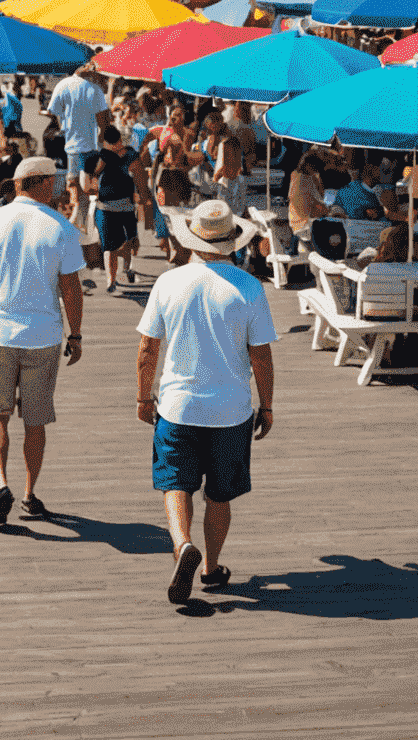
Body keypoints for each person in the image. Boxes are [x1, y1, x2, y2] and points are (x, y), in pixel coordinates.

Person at [135, 200, 276, 604]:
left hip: (177, 407)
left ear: (191, 239)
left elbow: (147, 349)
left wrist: (144, 397)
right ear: (232, 240)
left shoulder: (169, 282)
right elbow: (261, 355)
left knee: (175, 485)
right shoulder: (249, 287)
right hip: (231, 410)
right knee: (219, 495)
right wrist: (266, 406)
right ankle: (212, 568)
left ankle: (183, 546)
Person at [0, 155, 86, 525]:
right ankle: (30, 495)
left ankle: (0, 482)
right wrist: (76, 334)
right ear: (45, 184)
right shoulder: (60, 227)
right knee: (35, 422)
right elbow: (71, 288)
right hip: (43, 336)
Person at [81, 124, 150, 293]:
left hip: (126, 209)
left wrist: (145, 197)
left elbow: (140, 177)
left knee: (127, 243)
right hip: (104, 208)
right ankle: (111, 280)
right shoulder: (95, 158)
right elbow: (86, 185)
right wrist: (96, 186)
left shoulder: (130, 156)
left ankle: (127, 267)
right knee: (108, 246)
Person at [48, 64, 109, 226]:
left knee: (74, 185)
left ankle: (77, 223)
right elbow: (103, 122)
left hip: (73, 145)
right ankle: (84, 223)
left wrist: (67, 117)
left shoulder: (63, 85)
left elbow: (53, 111)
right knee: (87, 188)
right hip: (92, 146)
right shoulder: (95, 90)